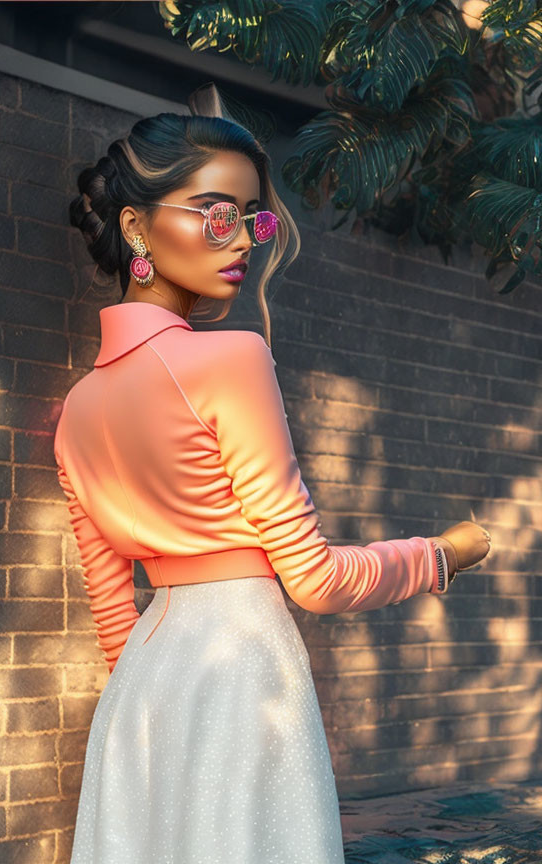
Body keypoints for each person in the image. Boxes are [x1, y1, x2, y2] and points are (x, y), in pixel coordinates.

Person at [53, 82, 492, 864]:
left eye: (251, 218)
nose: (243, 239)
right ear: (136, 225)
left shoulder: (76, 412)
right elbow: (315, 580)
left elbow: (115, 627)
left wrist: (164, 697)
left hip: (143, 694)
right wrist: (444, 554)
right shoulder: (231, 358)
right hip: (240, 666)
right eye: (216, 214)